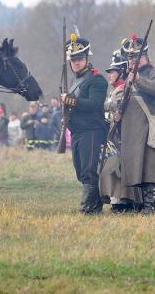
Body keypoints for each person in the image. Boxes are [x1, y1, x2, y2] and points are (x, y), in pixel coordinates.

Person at [119, 34, 155, 215]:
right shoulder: (129, 77)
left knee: (151, 167)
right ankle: (141, 203)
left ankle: (151, 204)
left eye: (134, 56)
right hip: (132, 130)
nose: (131, 60)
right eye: (130, 57)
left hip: (149, 128)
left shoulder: (154, 73)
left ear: (144, 56)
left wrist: (138, 80)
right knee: (137, 168)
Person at [61, 34, 108, 214]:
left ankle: (88, 207)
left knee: (89, 169)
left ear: (87, 58)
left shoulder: (97, 80)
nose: (76, 63)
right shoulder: (75, 81)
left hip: (92, 130)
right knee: (80, 170)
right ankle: (95, 205)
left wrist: (71, 101)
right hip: (77, 131)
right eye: (73, 60)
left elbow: (95, 104)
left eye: (79, 59)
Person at [100, 48, 142, 212]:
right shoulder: (115, 89)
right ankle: (116, 199)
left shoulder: (124, 88)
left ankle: (123, 201)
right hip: (114, 134)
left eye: (113, 72)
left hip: (122, 135)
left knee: (119, 169)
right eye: (109, 72)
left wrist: (98, 105)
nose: (109, 75)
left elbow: (117, 105)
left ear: (121, 72)